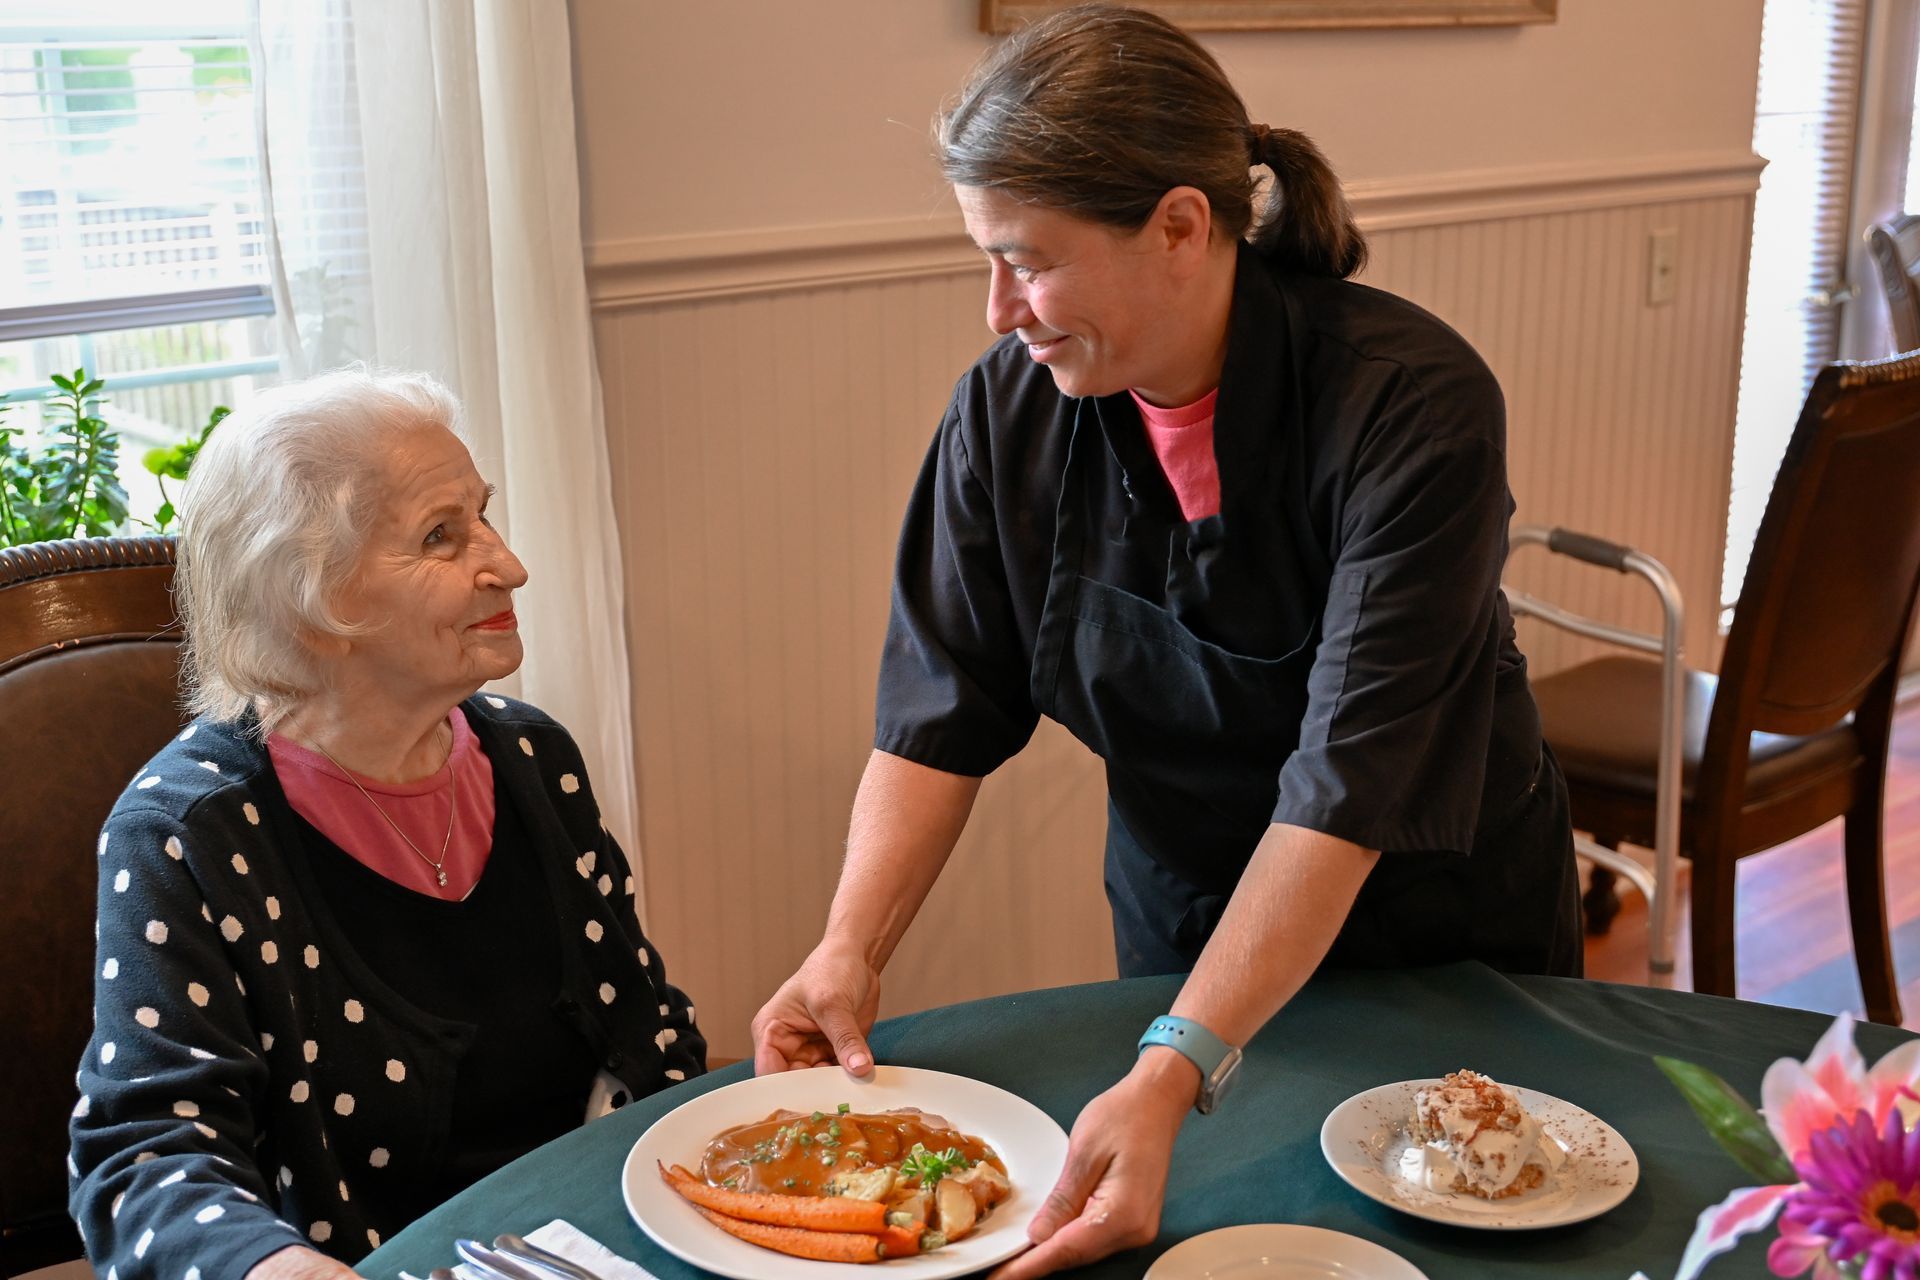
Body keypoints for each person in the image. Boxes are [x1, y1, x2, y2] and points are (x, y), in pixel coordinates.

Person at [751, 6, 1580, 1276]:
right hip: (1188, 917)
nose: (997, 309)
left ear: (1183, 227)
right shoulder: (1009, 410)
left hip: (1436, 926)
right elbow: (940, 708)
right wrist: (846, 947)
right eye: (985, 258)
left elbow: (1344, 789)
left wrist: (1175, 1061)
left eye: (1028, 260)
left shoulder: (1412, 407)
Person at [69, 369, 705, 1280]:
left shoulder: (533, 759)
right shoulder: (190, 832)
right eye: (441, 537)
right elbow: (145, 1162)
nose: (509, 564)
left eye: (484, 516)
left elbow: (651, 1041)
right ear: (309, 599)